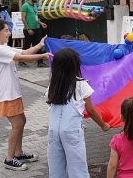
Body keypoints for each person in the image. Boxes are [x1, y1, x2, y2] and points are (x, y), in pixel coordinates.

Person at [0, 19, 51, 171]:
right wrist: (43, 56)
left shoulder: (3, 47)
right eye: (6, 30)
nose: (9, 33)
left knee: (22, 121)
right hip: (6, 95)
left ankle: (18, 153)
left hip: (12, 93)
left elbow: (24, 52)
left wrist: (40, 45)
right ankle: (9, 158)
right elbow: (20, 58)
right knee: (17, 124)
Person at [46, 48, 110, 178]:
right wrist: (103, 125)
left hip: (53, 131)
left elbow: (48, 101)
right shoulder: (81, 84)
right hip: (72, 132)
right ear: (74, 66)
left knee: (56, 166)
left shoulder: (53, 85)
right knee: (77, 167)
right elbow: (91, 110)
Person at [20, 0, 48, 67]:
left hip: (37, 28)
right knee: (27, 46)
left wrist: (41, 23)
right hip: (29, 29)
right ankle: (21, 61)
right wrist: (28, 29)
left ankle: (40, 62)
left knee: (39, 45)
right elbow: (23, 18)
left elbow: (35, 18)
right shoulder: (25, 6)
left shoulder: (35, 6)